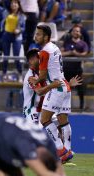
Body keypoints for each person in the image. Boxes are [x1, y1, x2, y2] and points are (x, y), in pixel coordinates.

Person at [28, 25, 73, 160]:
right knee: (63, 121)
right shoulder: (55, 47)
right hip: (65, 86)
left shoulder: (44, 52)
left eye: (39, 34)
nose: (36, 36)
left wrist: (34, 81)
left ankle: (61, 151)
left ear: (46, 37)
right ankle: (68, 151)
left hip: (56, 87)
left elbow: (42, 76)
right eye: (36, 34)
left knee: (44, 119)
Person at [61, 25, 88, 111]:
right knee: (64, 89)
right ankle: (62, 107)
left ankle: (81, 107)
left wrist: (76, 54)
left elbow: (85, 54)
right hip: (66, 69)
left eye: (77, 31)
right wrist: (70, 53)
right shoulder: (67, 42)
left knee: (80, 88)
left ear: (80, 33)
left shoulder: (83, 44)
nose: (76, 32)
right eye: (74, 31)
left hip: (77, 70)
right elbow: (61, 53)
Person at [0, 0, 25, 82]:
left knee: (16, 56)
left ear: (18, 5)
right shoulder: (5, 12)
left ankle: (20, 73)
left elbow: (23, 28)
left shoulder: (21, 16)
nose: (14, 4)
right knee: (5, 56)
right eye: (12, 3)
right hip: (6, 35)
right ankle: (4, 74)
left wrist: (19, 30)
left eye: (16, 3)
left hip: (17, 37)